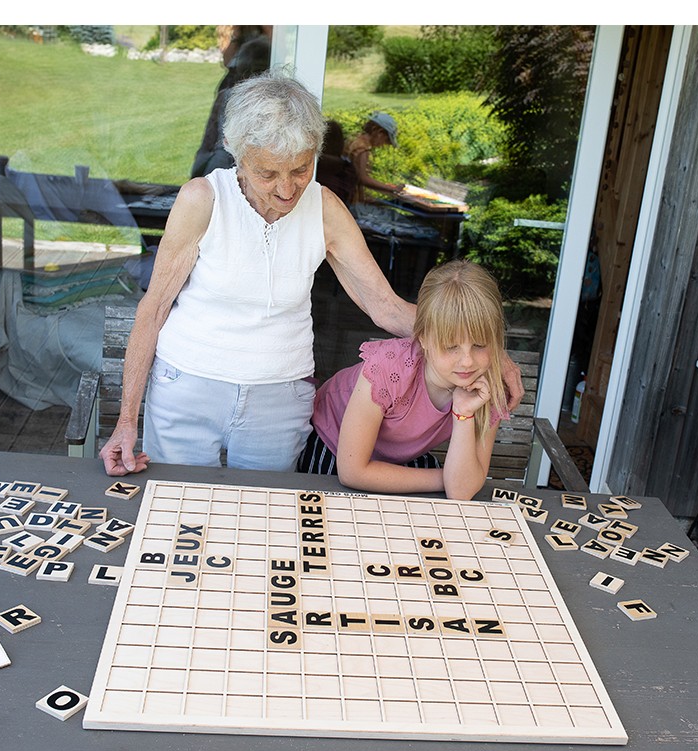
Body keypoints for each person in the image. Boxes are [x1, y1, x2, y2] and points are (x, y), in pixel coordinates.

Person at [99, 73, 524, 478]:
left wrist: (488, 350)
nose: (287, 189)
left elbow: (385, 306)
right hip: (187, 385)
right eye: (268, 173)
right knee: (178, 509)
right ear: (236, 153)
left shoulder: (324, 209)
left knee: (266, 523)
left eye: (301, 169)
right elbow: (152, 309)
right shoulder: (203, 200)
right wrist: (125, 420)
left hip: (279, 396)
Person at [297, 260, 510, 500]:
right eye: (451, 347)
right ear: (423, 339)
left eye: (480, 345)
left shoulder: (487, 389)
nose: (467, 361)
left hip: (399, 457)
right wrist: (449, 476)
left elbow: (461, 491)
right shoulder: (388, 369)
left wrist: (463, 413)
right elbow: (352, 472)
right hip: (335, 448)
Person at [190, 26, 271, 178]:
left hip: (256, 85)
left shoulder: (268, 31)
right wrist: (237, 33)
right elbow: (227, 61)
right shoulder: (235, 29)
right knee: (217, 139)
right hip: (236, 84)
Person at [345, 111, 405, 203]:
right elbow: (363, 179)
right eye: (386, 140)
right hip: (349, 199)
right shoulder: (362, 149)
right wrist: (391, 189)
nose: (383, 144)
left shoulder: (355, 139)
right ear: (379, 132)